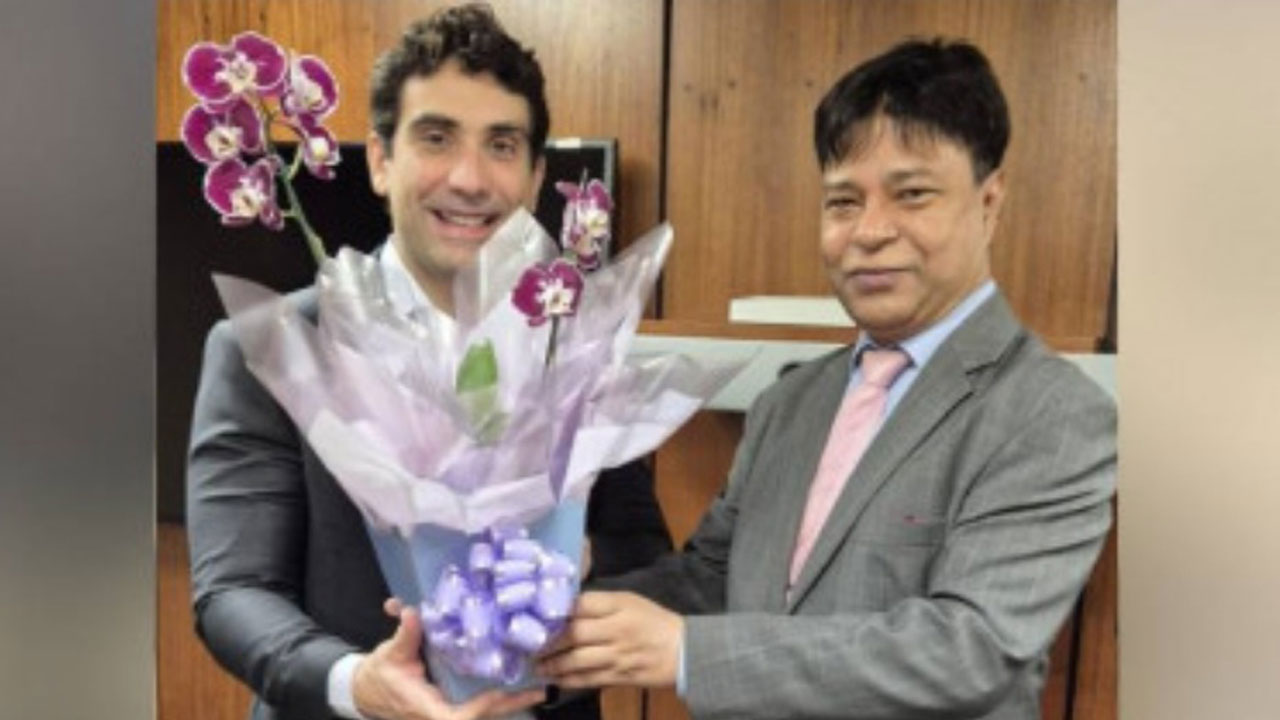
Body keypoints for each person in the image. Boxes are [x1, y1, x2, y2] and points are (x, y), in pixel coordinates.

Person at [539, 38, 1116, 720]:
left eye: (912, 194)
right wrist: (546, 623)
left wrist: (689, 652)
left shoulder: (1055, 414)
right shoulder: (789, 402)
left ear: (989, 203)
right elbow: (712, 580)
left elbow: (972, 650)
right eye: (843, 201)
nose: (869, 231)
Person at [186, 5, 671, 720]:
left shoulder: (575, 344)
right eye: (437, 138)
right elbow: (234, 592)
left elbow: (644, 557)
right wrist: (358, 683)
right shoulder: (273, 347)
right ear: (381, 161)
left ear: (535, 175)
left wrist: (565, 584)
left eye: (501, 145)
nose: (470, 178)